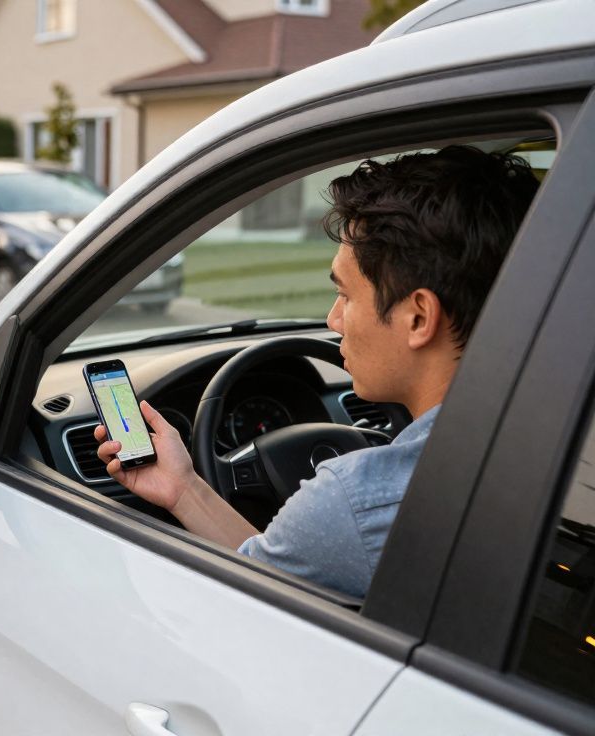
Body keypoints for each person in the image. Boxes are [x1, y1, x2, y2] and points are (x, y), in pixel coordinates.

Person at [95, 145, 541, 598]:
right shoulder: (546, 436)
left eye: (346, 296)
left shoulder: (358, 501)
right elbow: (264, 571)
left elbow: (244, 600)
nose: (333, 320)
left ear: (419, 318)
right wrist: (184, 489)